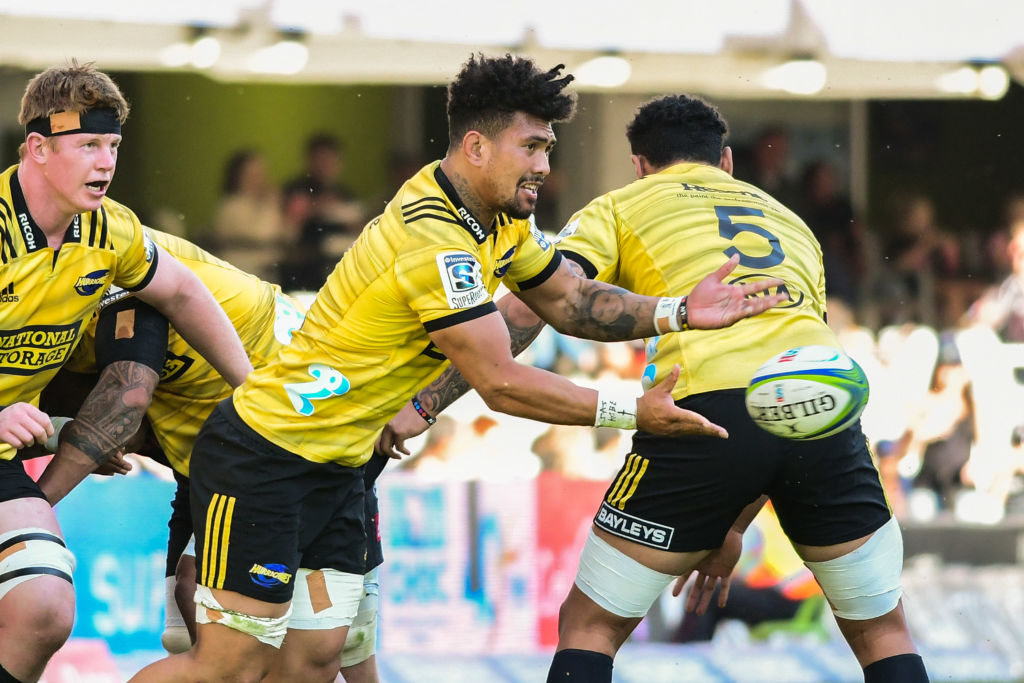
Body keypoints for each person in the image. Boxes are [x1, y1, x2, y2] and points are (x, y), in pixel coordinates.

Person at [129, 54, 784, 683]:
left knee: (316, 661)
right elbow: (498, 379)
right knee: (227, 666)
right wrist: (628, 411)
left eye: (548, 149)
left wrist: (678, 309)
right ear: (476, 147)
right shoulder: (434, 239)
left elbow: (570, 300)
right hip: (268, 456)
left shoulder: (495, 222)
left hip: (341, 466)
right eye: (531, 147)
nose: (544, 166)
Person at [384, 94, 929, 683]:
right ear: (725, 161)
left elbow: (530, 308)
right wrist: (733, 526)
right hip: (825, 415)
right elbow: (778, 393)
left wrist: (427, 402)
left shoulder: (622, 204)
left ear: (640, 165)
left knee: (590, 625)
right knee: (882, 631)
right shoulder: (792, 223)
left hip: (699, 413)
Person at [35, 227, 383, 681]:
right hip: (221, 454)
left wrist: (36, 509)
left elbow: (124, 405)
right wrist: (66, 434)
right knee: (208, 639)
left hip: (290, 442)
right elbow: (114, 424)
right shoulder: (53, 293)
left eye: (110, 148)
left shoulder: (107, 267)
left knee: (318, 649)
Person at [0, 61, 251, 683]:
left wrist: (257, 393)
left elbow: (185, 294)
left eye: (112, 145)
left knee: (45, 609)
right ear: (36, 148)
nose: (105, 162)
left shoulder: (108, 229)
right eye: (87, 145)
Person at [210, 148, 290, 282]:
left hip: (271, 269)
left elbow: (286, 234)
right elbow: (263, 234)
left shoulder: (263, 204)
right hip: (244, 271)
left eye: (260, 173)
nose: (259, 179)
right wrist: (271, 204)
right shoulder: (231, 206)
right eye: (252, 174)